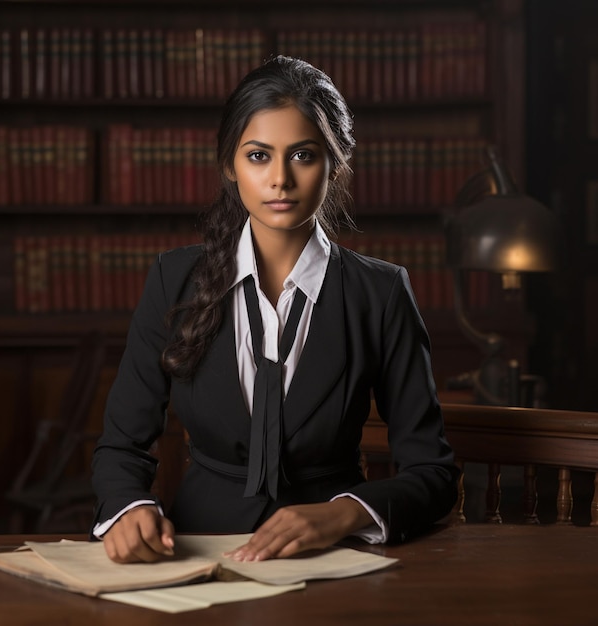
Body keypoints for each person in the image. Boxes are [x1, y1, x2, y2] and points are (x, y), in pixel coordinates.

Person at [91, 55, 459, 564]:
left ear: (336, 162)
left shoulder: (382, 293)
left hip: (336, 556)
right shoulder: (173, 280)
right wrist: (130, 508)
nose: (280, 179)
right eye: (259, 156)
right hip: (197, 554)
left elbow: (433, 474)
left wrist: (344, 513)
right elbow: (120, 448)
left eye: (303, 156)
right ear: (230, 165)